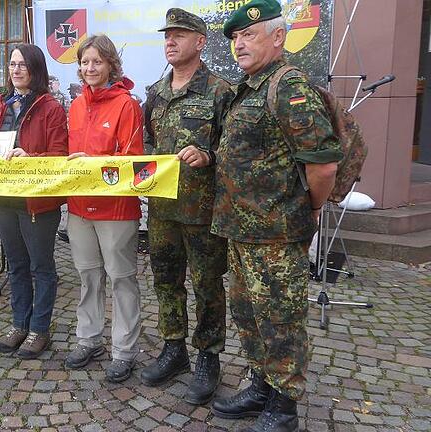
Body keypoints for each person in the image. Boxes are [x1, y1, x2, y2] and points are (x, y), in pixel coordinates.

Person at [211, 1, 342, 431]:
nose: (239, 44)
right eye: (234, 38)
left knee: (281, 320)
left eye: (249, 35)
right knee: (249, 314)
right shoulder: (248, 87)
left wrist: (314, 208)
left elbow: (322, 164)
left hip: (276, 234)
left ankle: (284, 407)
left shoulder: (288, 86)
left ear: (278, 37)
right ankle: (262, 386)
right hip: (241, 229)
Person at [140, 9, 233, 406]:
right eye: (168, 36)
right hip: (162, 210)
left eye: (180, 35)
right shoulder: (155, 93)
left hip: (203, 212)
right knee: (165, 279)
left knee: (208, 285)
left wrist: (209, 156)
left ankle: (208, 358)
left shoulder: (220, 91)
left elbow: (233, 154)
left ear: (200, 41)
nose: (171, 41)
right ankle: (173, 347)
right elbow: (145, 144)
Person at [62, 34, 144, 383]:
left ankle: (124, 351)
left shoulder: (127, 105)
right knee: (88, 277)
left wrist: (93, 162)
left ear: (111, 64)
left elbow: (133, 161)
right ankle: (89, 339)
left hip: (115, 210)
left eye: (96, 61)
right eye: (84, 62)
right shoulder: (76, 105)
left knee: (122, 280)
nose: (89, 68)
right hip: (80, 207)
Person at [0, 44, 68, 359]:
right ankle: (20, 324)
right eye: (11, 64)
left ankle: (40, 329)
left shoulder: (51, 107)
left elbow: (60, 156)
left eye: (22, 64)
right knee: (17, 266)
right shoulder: (0, 105)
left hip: (38, 202)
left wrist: (30, 156)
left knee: (41, 267)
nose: (16, 69)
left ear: (35, 69)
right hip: (5, 199)